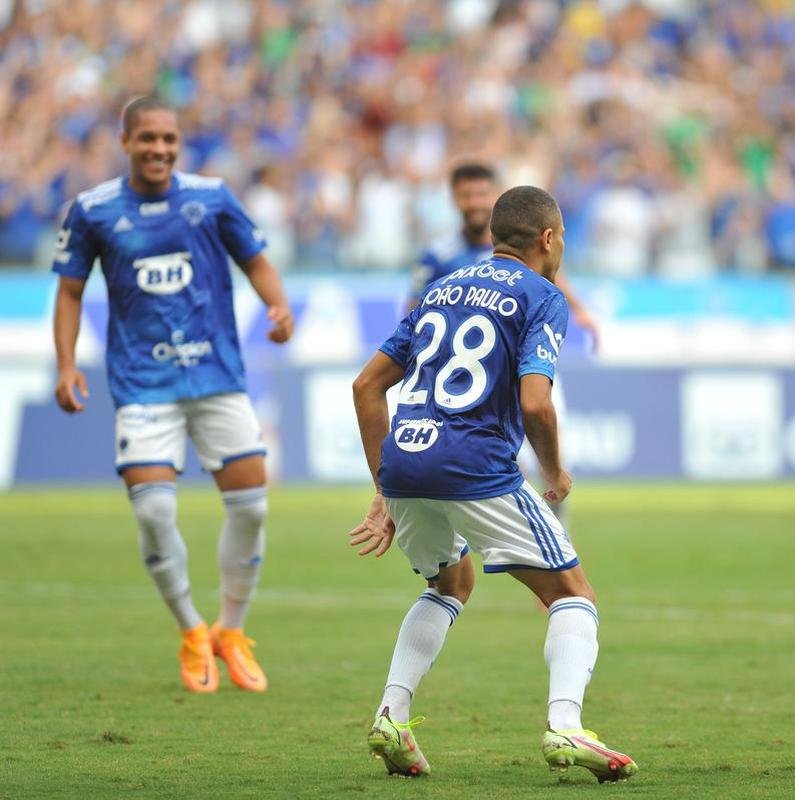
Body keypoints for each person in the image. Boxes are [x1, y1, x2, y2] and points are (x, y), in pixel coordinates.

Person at [348, 185, 637, 782]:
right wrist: (554, 471)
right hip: (475, 464)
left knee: (451, 580)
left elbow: (365, 386)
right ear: (549, 239)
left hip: (406, 460)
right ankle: (565, 726)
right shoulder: (542, 295)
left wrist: (384, 486)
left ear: (492, 236)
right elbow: (536, 404)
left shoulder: (441, 289)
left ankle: (391, 715)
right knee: (571, 593)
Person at [52, 97, 293, 694]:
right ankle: (191, 630)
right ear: (125, 140)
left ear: (179, 143)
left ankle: (230, 632)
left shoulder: (211, 198)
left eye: (169, 139)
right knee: (155, 511)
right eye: (148, 139)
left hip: (216, 378)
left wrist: (278, 305)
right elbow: (70, 292)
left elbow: (255, 260)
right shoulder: (93, 210)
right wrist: (65, 364)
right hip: (144, 385)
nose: (159, 149)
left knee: (253, 507)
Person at [413, 162, 599, 520]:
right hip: (475, 371)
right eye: (466, 194)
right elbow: (416, 309)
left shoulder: (522, 245)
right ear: (454, 199)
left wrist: (579, 310)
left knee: (552, 454)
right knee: (507, 461)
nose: (474, 202)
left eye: (481, 193)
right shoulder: (440, 255)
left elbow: (550, 278)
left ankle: (553, 540)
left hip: (529, 359)